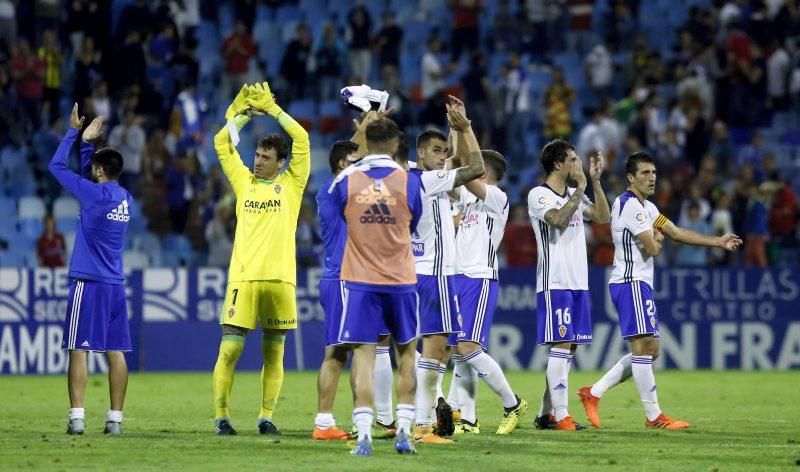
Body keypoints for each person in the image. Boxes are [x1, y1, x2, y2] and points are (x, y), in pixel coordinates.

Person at [578, 151, 742, 430]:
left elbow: (676, 233)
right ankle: (654, 417)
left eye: (654, 173)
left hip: (639, 283)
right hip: (630, 282)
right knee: (643, 349)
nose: (652, 178)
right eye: (645, 173)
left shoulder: (648, 208)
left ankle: (593, 393)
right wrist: (656, 238)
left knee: (651, 350)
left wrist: (718, 241)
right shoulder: (629, 205)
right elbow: (654, 248)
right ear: (631, 177)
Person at [210, 82, 310, 436]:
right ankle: (222, 417)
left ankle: (266, 417)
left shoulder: (293, 185)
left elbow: (303, 140)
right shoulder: (244, 183)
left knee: (274, 354)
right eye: (256, 155)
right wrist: (240, 118)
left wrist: (274, 110)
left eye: (266, 158)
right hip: (243, 279)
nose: (257, 161)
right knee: (230, 351)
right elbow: (221, 143)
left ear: (281, 163)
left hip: (280, 280)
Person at [328, 117, 422, 456]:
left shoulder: (346, 181)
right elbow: (414, 218)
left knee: (364, 359)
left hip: (361, 281)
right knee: (407, 354)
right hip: (400, 280)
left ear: (366, 141)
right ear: (396, 145)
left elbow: (339, 214)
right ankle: (405, 433)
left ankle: (365, 435)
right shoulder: (409, 182)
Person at [49, 104, 132, 436]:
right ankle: (115, 420)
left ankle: (77, 417)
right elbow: (90, 175)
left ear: (99, 171)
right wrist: (88, 144)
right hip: (115, 285)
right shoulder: (125, 198)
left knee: (78, 348)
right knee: (116, 351)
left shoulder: (92, 194)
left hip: (89, 282)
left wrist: (73, 134)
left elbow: (56, 165)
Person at [411, 97, 485, 444]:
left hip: (423, 272)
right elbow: (475, 168)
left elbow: (454, 162)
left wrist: (455, 130)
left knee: (435, 350)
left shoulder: (414, 178)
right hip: (435, 273)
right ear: (421, 154)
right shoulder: (430, 181)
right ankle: (422, 424)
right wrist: (466, 128)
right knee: (436, 349)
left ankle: (423, 413)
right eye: (437, 151)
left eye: (444, 151)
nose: (443, 156)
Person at [447, 121, 527, 435]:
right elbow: (452, 169)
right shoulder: (466, 199)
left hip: (480, 277)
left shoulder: (496, 197)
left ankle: (512, 403)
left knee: (468, 347)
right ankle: (465, 418)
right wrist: (454, 130)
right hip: (458, 276)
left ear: (483, 172)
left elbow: (464, 171)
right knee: (458, 351)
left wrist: (468, 127)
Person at [527, 139, 610, 430]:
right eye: (573, 159)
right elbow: (559, 220)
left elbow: (603, 217)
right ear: (558, 164)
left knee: (570, 348)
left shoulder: (576, 192)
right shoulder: (539, 194)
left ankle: (546, 413)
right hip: (556, 280)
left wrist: (595, 182)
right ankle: (562, 416)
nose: (578, 164)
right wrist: (582, 190)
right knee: (561, 346)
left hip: (578, 281)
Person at [312, 139, 361, 441]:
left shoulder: (332, 192)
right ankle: (323, 423)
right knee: (339, 354)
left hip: (348, 279)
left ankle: (362, 419)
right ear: (343, 165)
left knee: (356, 352)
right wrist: (367, 126)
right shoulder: (334, 191)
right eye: (357, 160)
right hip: (342, 280)